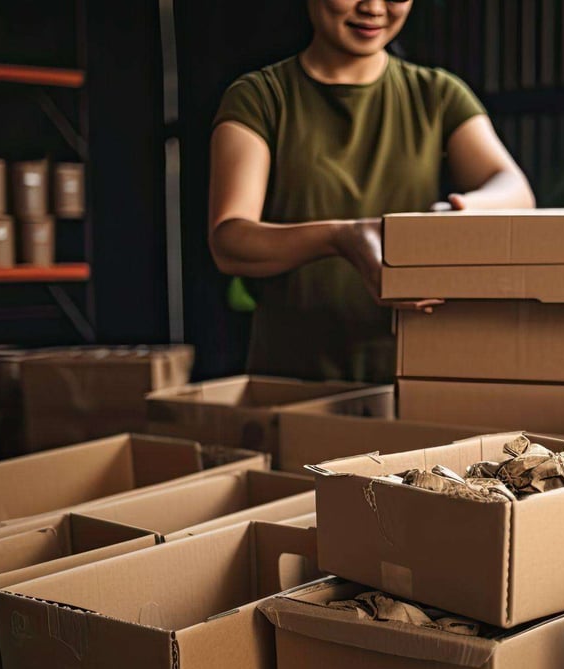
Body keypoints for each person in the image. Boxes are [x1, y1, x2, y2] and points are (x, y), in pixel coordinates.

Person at [209, 0, 535, 383]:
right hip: (292, 378)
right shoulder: (260, 97)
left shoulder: (438, 94)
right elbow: (230, 240)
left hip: (412, 376)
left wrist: (461, 208)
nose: (374, 7)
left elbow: (514, 188)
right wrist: (340, 237)